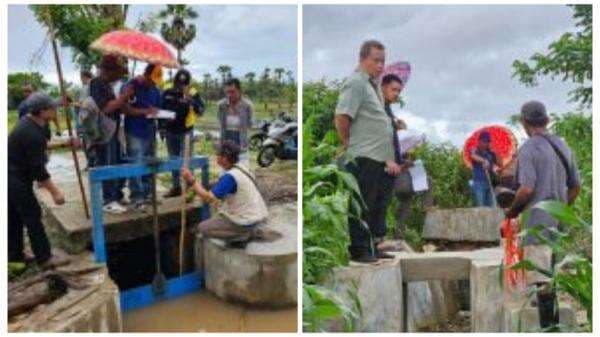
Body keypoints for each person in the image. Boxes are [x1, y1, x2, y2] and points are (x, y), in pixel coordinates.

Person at [504, 100, 581, 328]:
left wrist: (511, 213)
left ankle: (549, 329)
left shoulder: (528, 148)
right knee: (552, 279)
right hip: (559, 225)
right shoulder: (563, 146)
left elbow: (527, 188)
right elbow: (576, 186)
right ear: (546, 120)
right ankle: (553, 326)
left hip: (538, 225)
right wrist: (561, 210)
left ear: (524, 123)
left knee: (543, 284)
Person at [334, 40, 402, 263]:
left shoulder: (373, 87)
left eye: (383, 61)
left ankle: (372, 246)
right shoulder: (356, 83)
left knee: (374, 205)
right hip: (363, 155)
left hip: (379, 159)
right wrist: (348, 143)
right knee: (361, 204)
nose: (381, 65)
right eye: (376, 60)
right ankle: (359, 249)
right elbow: (342, 116)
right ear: (363, 59)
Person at [8, 93, 72, 268]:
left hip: (11, 175)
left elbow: (36, 150)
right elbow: (39, 171)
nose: (55, 110)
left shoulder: (29, 123)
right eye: (52, 108)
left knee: (14, 217)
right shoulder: (31, 133)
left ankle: (14, 256)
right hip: (14, 178)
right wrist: (55, 192)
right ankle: (45, 258)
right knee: (32, 215)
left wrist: (65, 144)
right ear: (42, 111)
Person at [181, 141, 271, 248]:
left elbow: (208, 198)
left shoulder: (230, 177)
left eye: (218, 154)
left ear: (224, 158)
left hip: (245, 221)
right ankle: (248, 230)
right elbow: (221, 187)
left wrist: (191, 181)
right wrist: (196, 188)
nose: (216, 156)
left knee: (202, 228)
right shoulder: (242, 168)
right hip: (257, 216)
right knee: (219, 214)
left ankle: (243, 234)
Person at [380, 74, 434, 239]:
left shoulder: (388, 112)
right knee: (427, 183)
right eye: (393, 89)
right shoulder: (382, 114)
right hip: (393, 175)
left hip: (398, 174)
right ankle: (427, 210)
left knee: (406, 201)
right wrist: (401, 164)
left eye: (399, 90)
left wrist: (405, 162)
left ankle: (398, 234)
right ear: (383, 87)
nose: (397, 93)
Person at [88, 55, 133, 214]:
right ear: (109, 70)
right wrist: (125, 96)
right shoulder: (96, 83)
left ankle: (117, 195)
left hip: (112, 130)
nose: (121, 76)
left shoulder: (106, 85)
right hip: (103, 132)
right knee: (107, 163)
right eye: (119, 72)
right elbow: (106, 108)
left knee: (117, 162)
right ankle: (108, 200)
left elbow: (119, 107)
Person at [123, 64, 162, 209]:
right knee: (136, 162)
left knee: (150, 161)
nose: (153, 84)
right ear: (146, 74)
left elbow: (158, 108)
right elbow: (124, 109)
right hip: (135, 131)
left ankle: (148, 194)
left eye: (155, 82)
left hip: (150, 131)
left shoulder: (155, 90)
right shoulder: (131, 86)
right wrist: (145, 111)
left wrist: (159, 113)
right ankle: (136, 197)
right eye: (151, 80)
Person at [162, 69, 205, 198]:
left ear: (188, 82)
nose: (181, 85)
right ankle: (176, 187)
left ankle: (189, 190)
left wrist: (191, 101)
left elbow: (201, 110)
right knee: (173, 160)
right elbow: (161, 106)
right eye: (179, 82)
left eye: (184, 83)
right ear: (175, 80)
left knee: (187, 161)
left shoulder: (192, 92)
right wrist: (162, 126)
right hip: (170, 131)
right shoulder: (167, 89)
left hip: (186, 131)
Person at [217, 78, 253, 168]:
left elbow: (249, 124)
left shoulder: (247, 105)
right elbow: (221, 125)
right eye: (227, 92)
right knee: (225, 173)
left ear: (239, 90)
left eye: (232, 92)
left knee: (242, 171)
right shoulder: (221, 105)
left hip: (241, 145)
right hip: (226, 145)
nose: (230, 95)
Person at [469, 131, 501, 207]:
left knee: (492, 206)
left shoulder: (490, 153)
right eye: (484, 141)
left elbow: (499, 164)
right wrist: (483, 160)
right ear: (479, 141)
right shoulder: (474, 149)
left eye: (487, 142)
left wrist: (495, 152)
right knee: (480, 207)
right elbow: (473, 156)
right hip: (479, 183)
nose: (485, 143)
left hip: (489, 182)